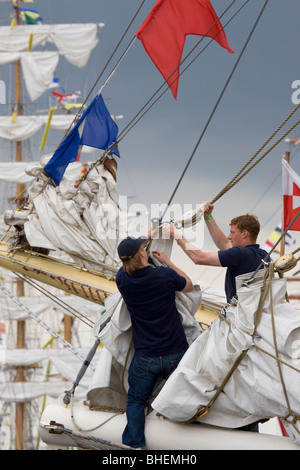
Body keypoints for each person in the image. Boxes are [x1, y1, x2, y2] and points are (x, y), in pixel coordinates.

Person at [116, 235, 193, 449]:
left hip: (146, 358)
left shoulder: (122, 280)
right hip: (176, 353)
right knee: (187, 397)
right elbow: (188, 285)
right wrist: (168, 261)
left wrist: (140, 246)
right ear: (143, 253)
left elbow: (125, 266)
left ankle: (134, 445)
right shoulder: (164, 275)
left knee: (136, 401)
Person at [165, 202, 270, 304]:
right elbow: (224, 244)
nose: (229, 236)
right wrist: (208, 216)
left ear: (244, 234)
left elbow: (198, 258)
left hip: (240, 316)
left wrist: (176, 236)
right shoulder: (263, 255)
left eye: (232, 232)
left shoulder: (239, 254)